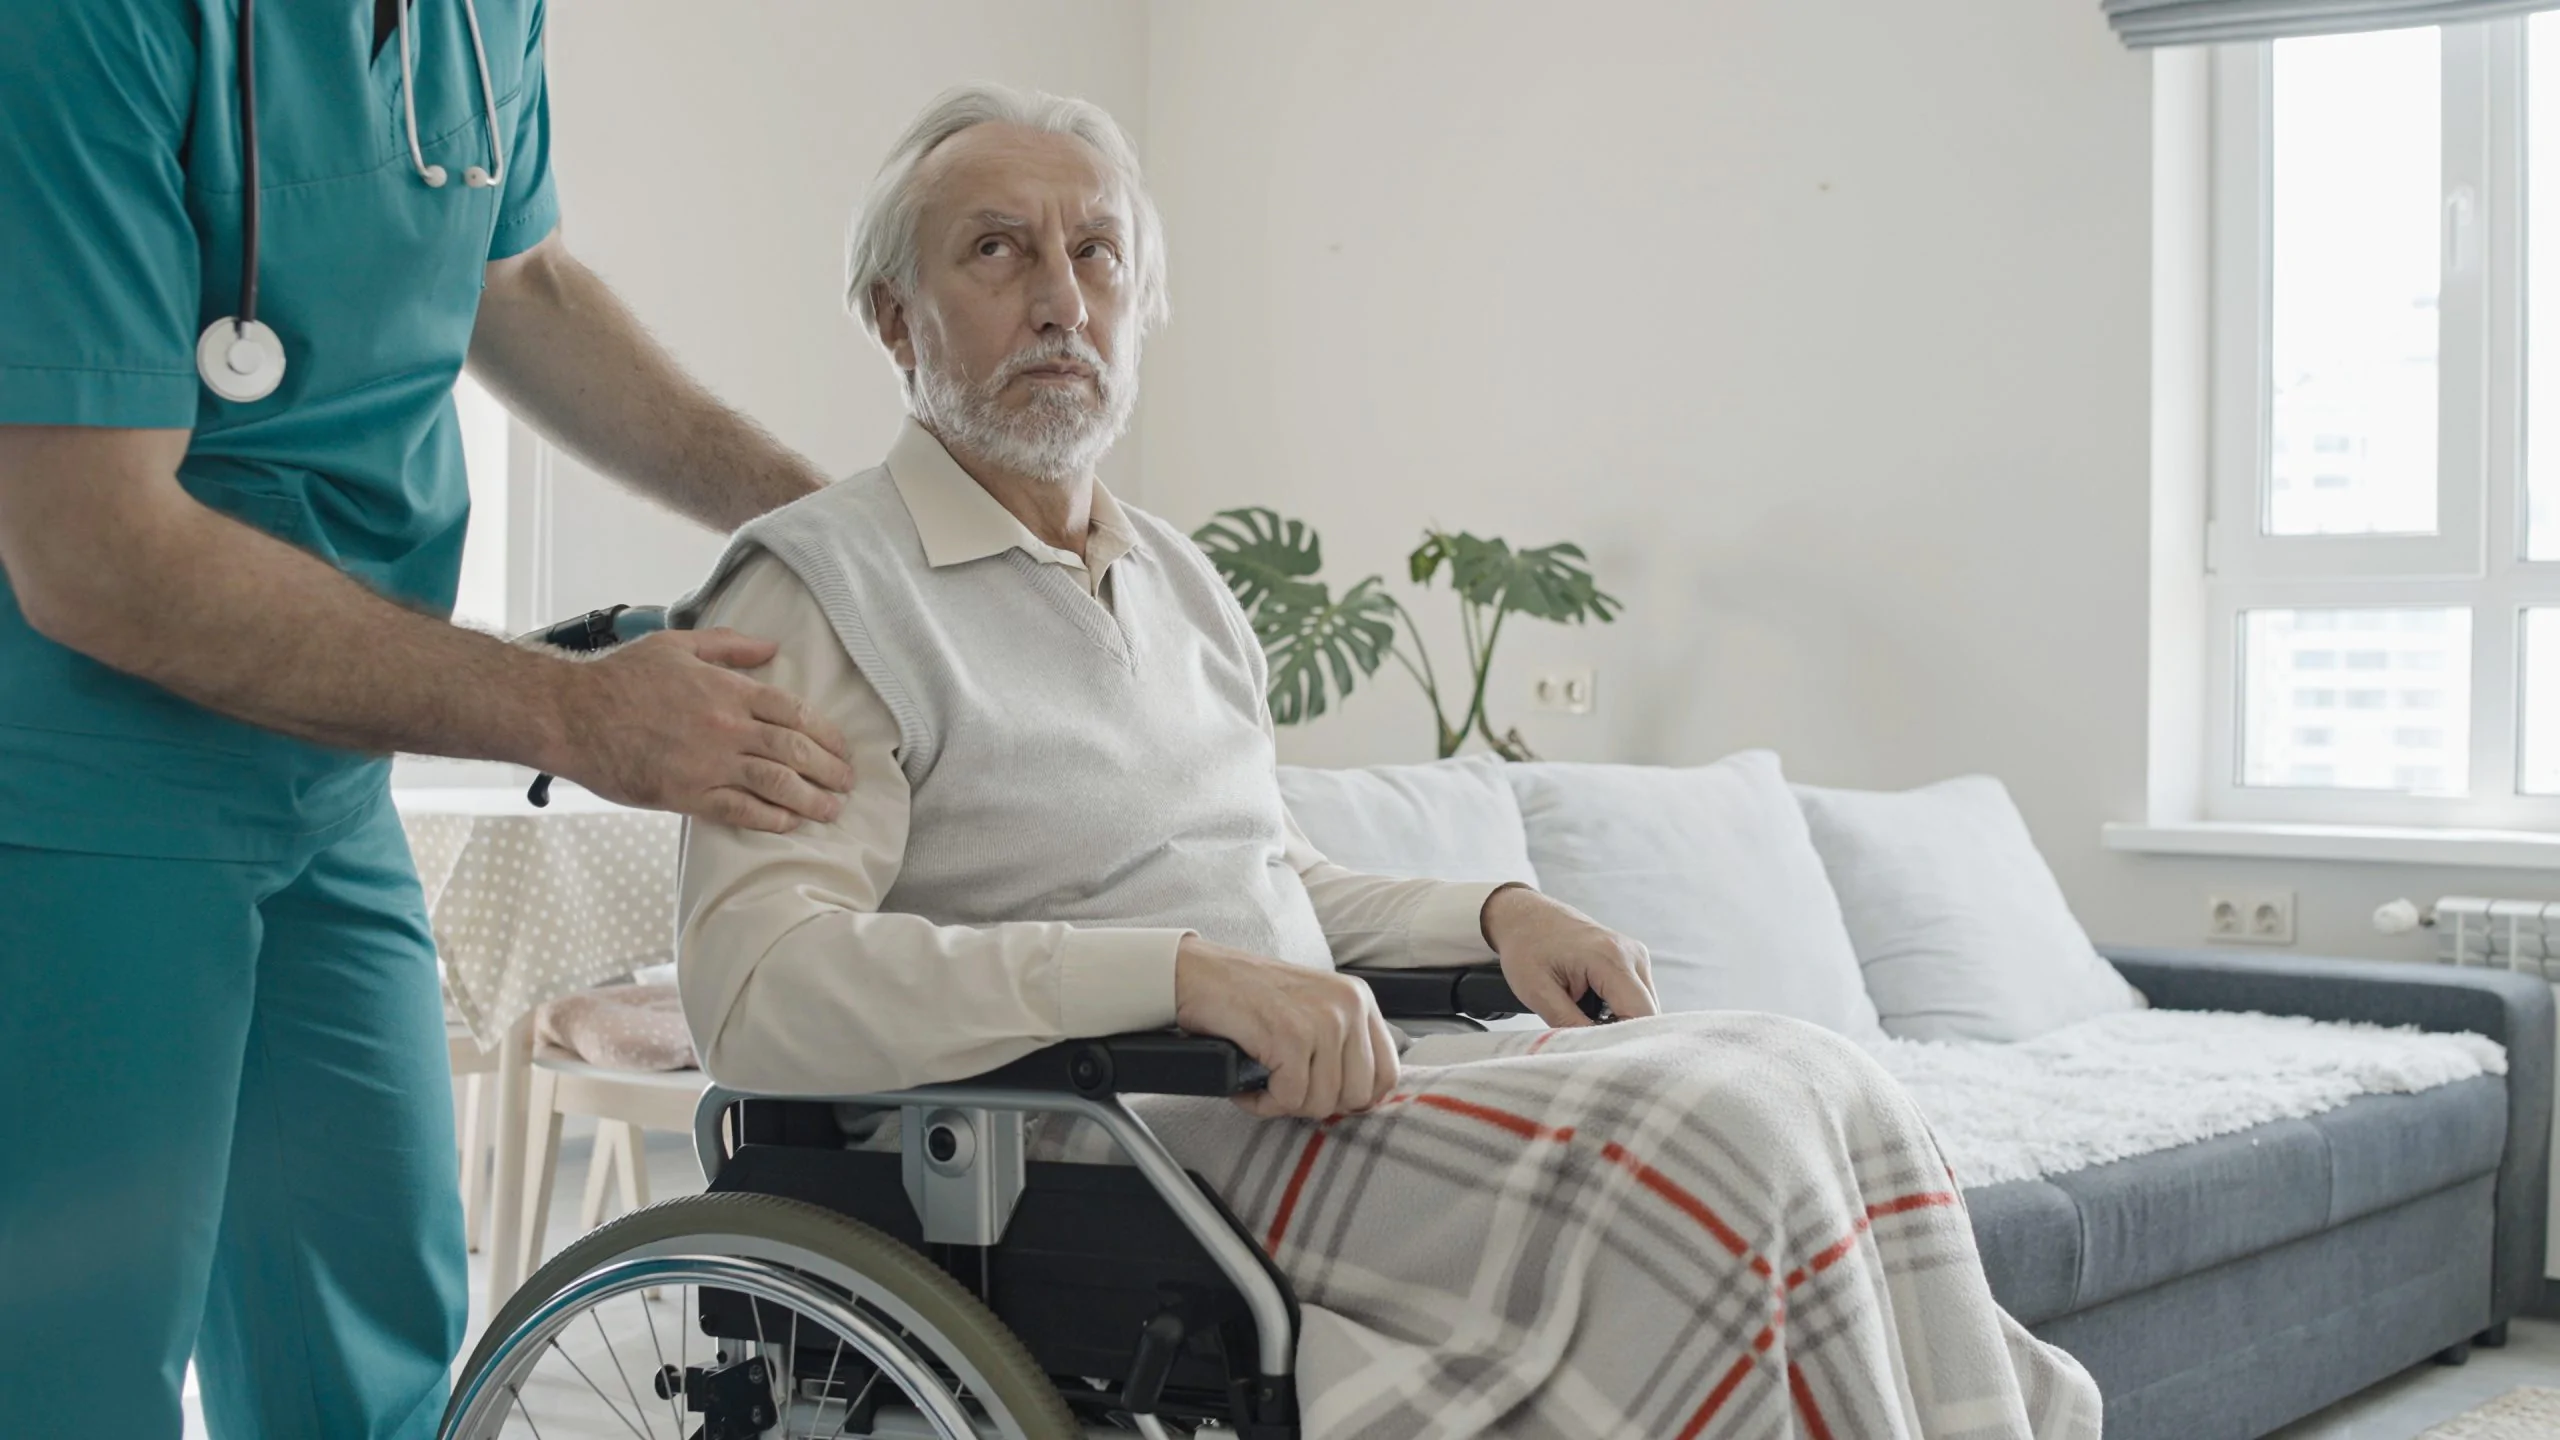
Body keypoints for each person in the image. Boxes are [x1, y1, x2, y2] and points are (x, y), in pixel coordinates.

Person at [672, 83, 2105, 1437]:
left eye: (1096, 252)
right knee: (1716, 1144)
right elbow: (759, 989)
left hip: (1293, 1096)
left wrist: (1489, 914)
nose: (1061, 297)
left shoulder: (1176, 580)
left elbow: (1263, 875)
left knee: (1819, 1077)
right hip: (1095, 1150)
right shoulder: (822, 591)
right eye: (998, 251)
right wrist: (1170, 974)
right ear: (892, 318)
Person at [0, 3, 857, 1436]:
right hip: (82, 791)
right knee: (71, 1371)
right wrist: (569, 715)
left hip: (328, 792)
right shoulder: (84, 26)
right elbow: (95, 556)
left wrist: (830, 536)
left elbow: (520, 287)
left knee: (376, 1339)